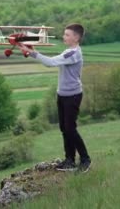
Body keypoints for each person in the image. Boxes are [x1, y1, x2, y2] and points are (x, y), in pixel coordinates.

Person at [20, 23, 91, 172]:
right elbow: (53, 61)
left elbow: (51, 63)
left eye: (67, 35)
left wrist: (32, 53)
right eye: (64, 34)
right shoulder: (68, 51)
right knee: (64, 128)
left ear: (76, 37)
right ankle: (70, 160)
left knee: (71, 129)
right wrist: (33, 52)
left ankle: (85, 159)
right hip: (62, 95)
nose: (63, 37)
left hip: (73, 96)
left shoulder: (74, 53)